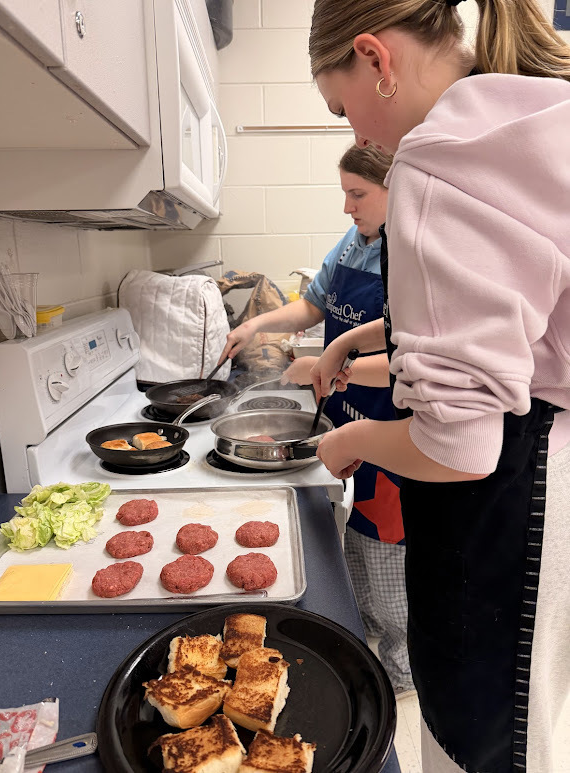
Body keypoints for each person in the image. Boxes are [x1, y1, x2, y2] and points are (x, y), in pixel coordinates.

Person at [307, 1, 570, 772]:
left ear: (374, 58)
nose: (355, 134)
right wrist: (361, 340)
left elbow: (457, 446)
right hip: (549, 486)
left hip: (513, 511)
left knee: (487, 741)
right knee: (537, 723)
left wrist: (349, 439)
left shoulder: (439, 159)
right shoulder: (527, 115)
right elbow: (507, 327)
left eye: (340, 104)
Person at [219, 144, 415, 697]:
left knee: (387, 548)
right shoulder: (355, 243)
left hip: (389, 425)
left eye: (358, 194)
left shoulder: (412, 252)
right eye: (345, 193)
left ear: (394, 188)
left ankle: (402, 667)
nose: (347, 207)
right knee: (351, 538)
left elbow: (407, 355)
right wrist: (257, 327)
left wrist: (337, 363)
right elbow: (313, 307)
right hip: (343, 417)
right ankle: (370, 636)